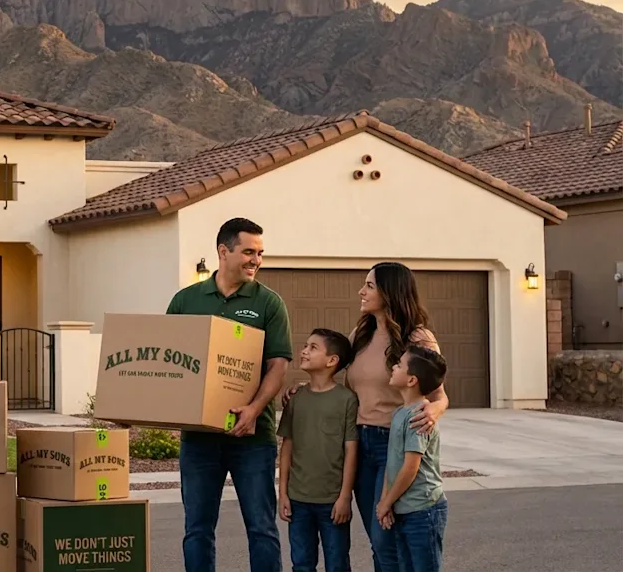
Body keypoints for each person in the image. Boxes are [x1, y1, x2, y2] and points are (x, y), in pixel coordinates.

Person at [282, 262, 451, 572]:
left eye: (370, 286)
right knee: (379, 540)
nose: (362, 291)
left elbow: (439, 394)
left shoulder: (418, 338)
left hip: (394, 444)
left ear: (390, 292)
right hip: (361, 443)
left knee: (385, 535)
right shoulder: (361, 334)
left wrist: (434, 410)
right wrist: (306, 387)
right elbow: (334, 375)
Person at [167, 217, 293, 572]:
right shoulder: (186, 300)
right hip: (199, 436)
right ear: (224, 251)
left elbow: (278, 365)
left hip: (253, 436)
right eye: (249, 252)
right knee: (197, 530)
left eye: (260, 253)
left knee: (262, 528)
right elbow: (169, 365)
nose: (256, 260)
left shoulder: (269, 303)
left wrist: (253, 409)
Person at [277, 328, 359, 572]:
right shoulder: (296, 399)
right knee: (301, 564)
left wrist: (345, 497)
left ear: (332, 360)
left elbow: (351, 451)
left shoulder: (347, 400)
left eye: (313, 348)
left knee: (337, 564)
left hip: (332, 502)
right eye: (305, 346)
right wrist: (283, 494)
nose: (304, 351)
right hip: (298, 500)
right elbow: (287, 448)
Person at [377, 344, 449, 572]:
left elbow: (410, 467)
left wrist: (386, 503)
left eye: (399, 365)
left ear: (411, 380)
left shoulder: (420, 416)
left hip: (424, 510)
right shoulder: (400, 413)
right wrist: (385, 502)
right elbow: (393, 464)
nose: (393, 367)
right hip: (403, 509)